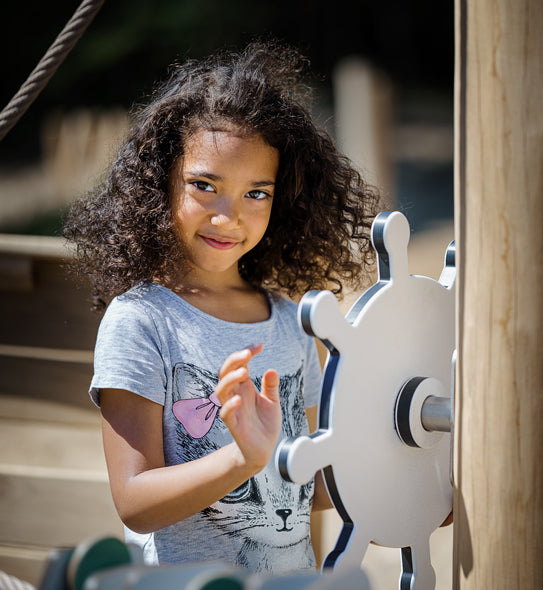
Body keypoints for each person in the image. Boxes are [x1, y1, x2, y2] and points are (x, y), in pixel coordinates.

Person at [62, 41, 380, 574]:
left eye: (257, 193)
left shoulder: (293, 323)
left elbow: (312, 486)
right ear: (159, 181)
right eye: (205, 186)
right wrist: (242, 458)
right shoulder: (141, 321)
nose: (229, 216)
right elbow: (135, 502)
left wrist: (400, 479)